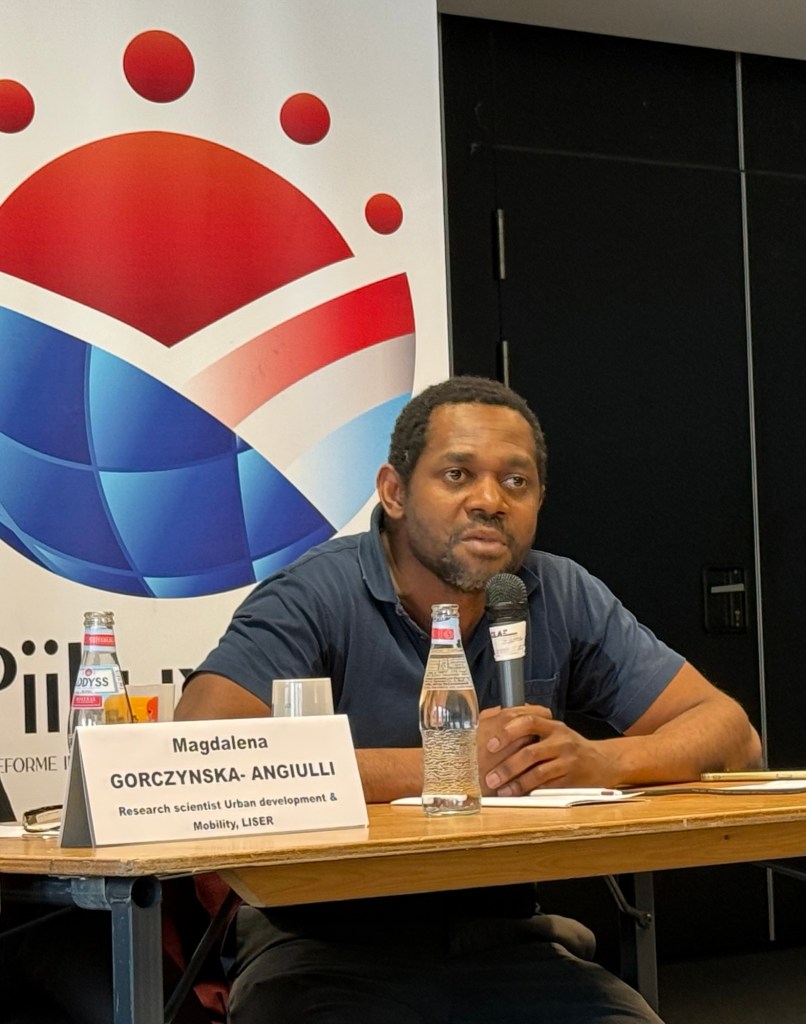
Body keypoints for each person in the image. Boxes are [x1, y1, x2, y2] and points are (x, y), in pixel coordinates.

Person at [176, 375, 761, 1024]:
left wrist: (604, 762)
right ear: (394, 492)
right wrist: (451, 767)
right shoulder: (313, 595)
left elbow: (734, 733)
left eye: (516, 482)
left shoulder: (558, 591)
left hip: (506, 942)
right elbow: (204, 751)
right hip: (320, 944)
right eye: (457, 475)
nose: (489, 501)